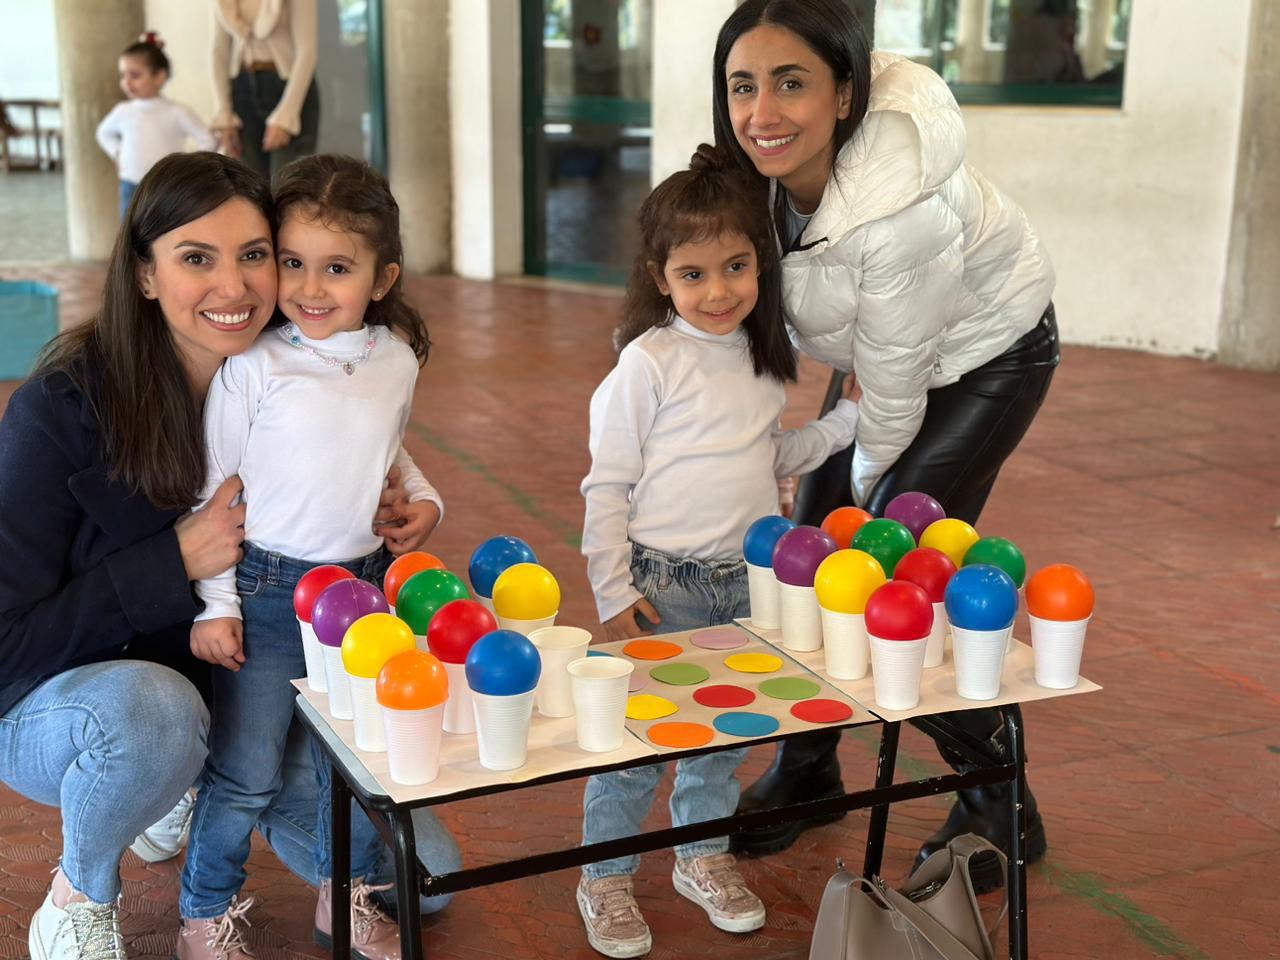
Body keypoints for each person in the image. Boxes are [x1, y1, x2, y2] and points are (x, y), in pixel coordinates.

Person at [0, 152, 453, 960]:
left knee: (427, 877)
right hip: (68, 706)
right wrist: (173, 559)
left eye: (253, 254)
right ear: (145, 275)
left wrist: (396, 497)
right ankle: (81, 890)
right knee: (155, 716)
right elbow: (7, 642)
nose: (234, 286)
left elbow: (368, 436)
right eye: (195, 258)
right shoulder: (58, 411)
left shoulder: (286, 368)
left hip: (241, 682)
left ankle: (182, 783)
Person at [711, 0, 1059, 891]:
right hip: (887, 358)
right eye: (744, 86)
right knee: (805, 560)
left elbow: (894, 401)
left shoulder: (897, 209)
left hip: (989, 353)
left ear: (844, 95)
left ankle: (1001, 807)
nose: (762, 112)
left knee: (893, 566)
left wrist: (861, 508)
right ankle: (810, 767)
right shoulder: (752, 180)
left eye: (791, 84)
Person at [576, 146, 860, 959]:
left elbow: (766, 455)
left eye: (737, 267)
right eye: (693, 275)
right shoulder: (647, 362)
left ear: (760, 264)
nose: (719, 291)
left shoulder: (761, 357)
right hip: (661, 586)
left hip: (746, 585)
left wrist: (845, 424)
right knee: (638, 745)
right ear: (660, 277)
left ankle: (700, 857)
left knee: (722, 737)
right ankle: (604, 876)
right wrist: (611, 590)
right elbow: (607, 485)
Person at [178, 154, 446, 960]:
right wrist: (217, 606)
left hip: (360, 595)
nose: (310, 287)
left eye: (337, 268)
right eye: (292, 263)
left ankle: (346, 894)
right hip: (266, 590)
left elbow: (389, 451)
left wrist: (427, 501)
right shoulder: (256, 365)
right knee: (248, 771)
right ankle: (203, 913)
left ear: (382, 275)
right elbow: (212, 491)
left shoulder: (395, 359)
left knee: (347, 765)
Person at [95, 33, 217, 219]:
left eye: (135, 75)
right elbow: (103, 133)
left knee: (165, 228)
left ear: (160, 76)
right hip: (130, 183)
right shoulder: (123, 111)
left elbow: (208, 140)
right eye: (123, 75)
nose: (126, 82)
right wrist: (117, 152)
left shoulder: (177, 112)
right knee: (130, 228)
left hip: (166, 186)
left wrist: (186, 167)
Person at [209, 0, 319, 180]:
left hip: (289, 90)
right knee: (248, 186)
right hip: (241, 91)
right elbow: (219, 51)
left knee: (287, 186)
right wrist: (224, 114)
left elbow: (307, 52)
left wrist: (286, 116)